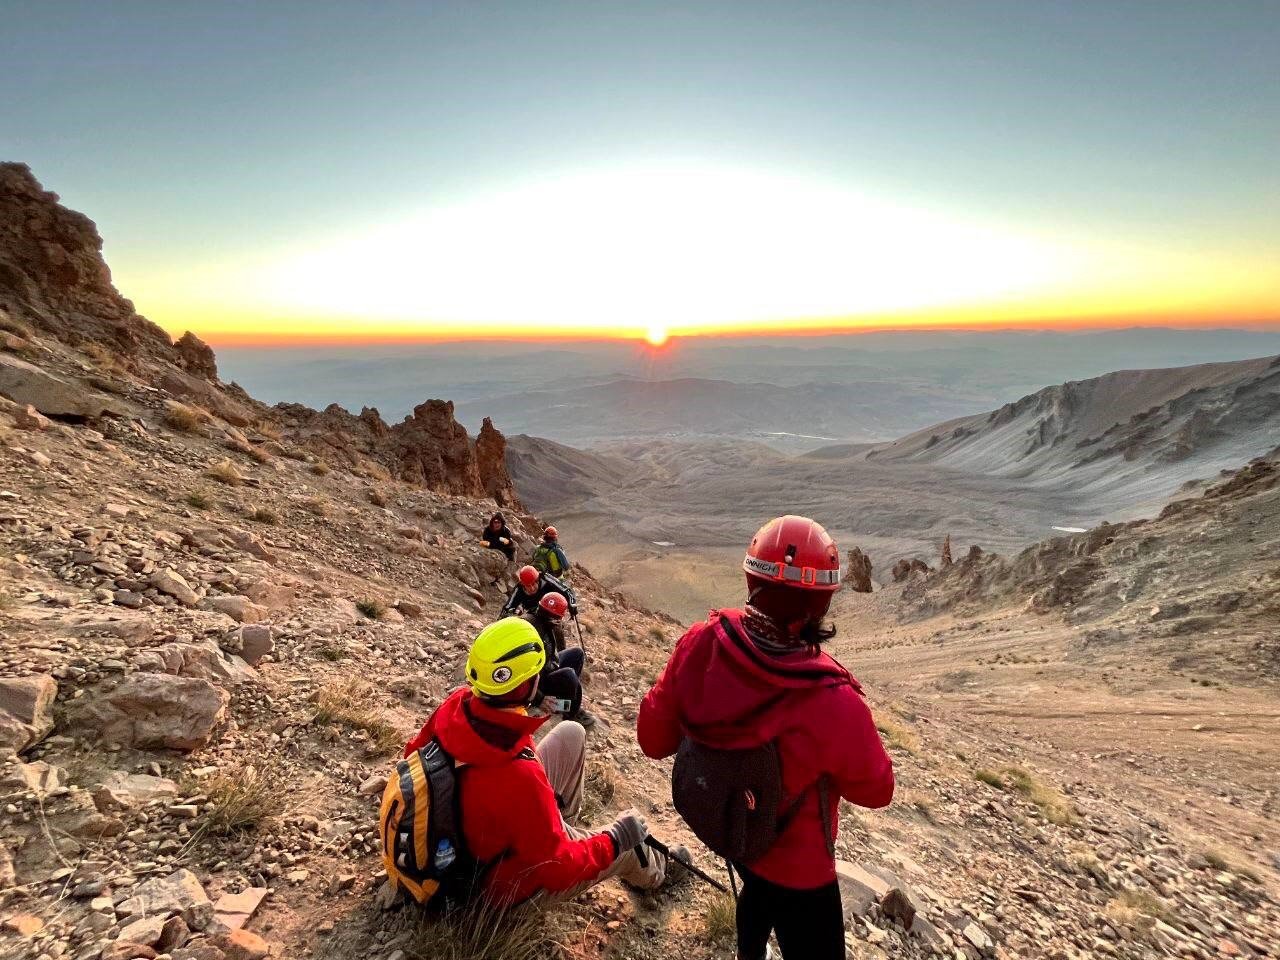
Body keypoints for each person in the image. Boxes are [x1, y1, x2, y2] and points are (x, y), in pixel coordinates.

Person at [637, 515, 894, 960]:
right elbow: (878, 791)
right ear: (822, 602)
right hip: (801, 870)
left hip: (726, 823)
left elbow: (652, 740)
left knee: (755, 889)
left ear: (751, 579)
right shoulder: (835, 701)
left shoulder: (701, 642)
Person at [402, 617, 673, 905]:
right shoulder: (518, 774)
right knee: (628, 847)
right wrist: (616, 839)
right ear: (529, 685)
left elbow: (413, 755)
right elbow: (556, 870)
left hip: (472, 841)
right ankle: (660, 871)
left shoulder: (457, 704)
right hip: (499, 886)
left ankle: (559, 829)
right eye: (537, 674)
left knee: (571, 734)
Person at [526, 592, 597, 728]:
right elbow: (524, 673)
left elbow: (557, 650)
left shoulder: (547, 624)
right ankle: (571, 713)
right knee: (569, 674)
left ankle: (565, 697)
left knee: (577, 653)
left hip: (548, 666)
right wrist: (539, 698)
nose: (558, 621)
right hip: (537, 683)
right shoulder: (532, 631)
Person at [502, 564, 577, 618]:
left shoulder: (545, 578)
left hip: (552, 609)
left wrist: (572, 604)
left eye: (533, 584)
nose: (532, 588)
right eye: (528, 586)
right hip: (533, 615)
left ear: (538, 580)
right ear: (523, 585)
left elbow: (565, 590)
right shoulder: (519, 589)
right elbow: (508, 608)